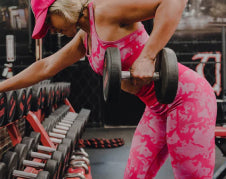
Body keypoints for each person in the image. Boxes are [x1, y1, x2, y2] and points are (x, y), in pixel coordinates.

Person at [0, 0, 217, 178]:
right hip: (156, 108)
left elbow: (173, 2)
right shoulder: (85, 37)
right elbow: (45, 66)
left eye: (48, 20)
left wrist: (148, 56)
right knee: (134, 175)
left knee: (190, 175)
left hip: (186, 98)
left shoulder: (104, 10)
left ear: (62, 7)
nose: (50, 29)